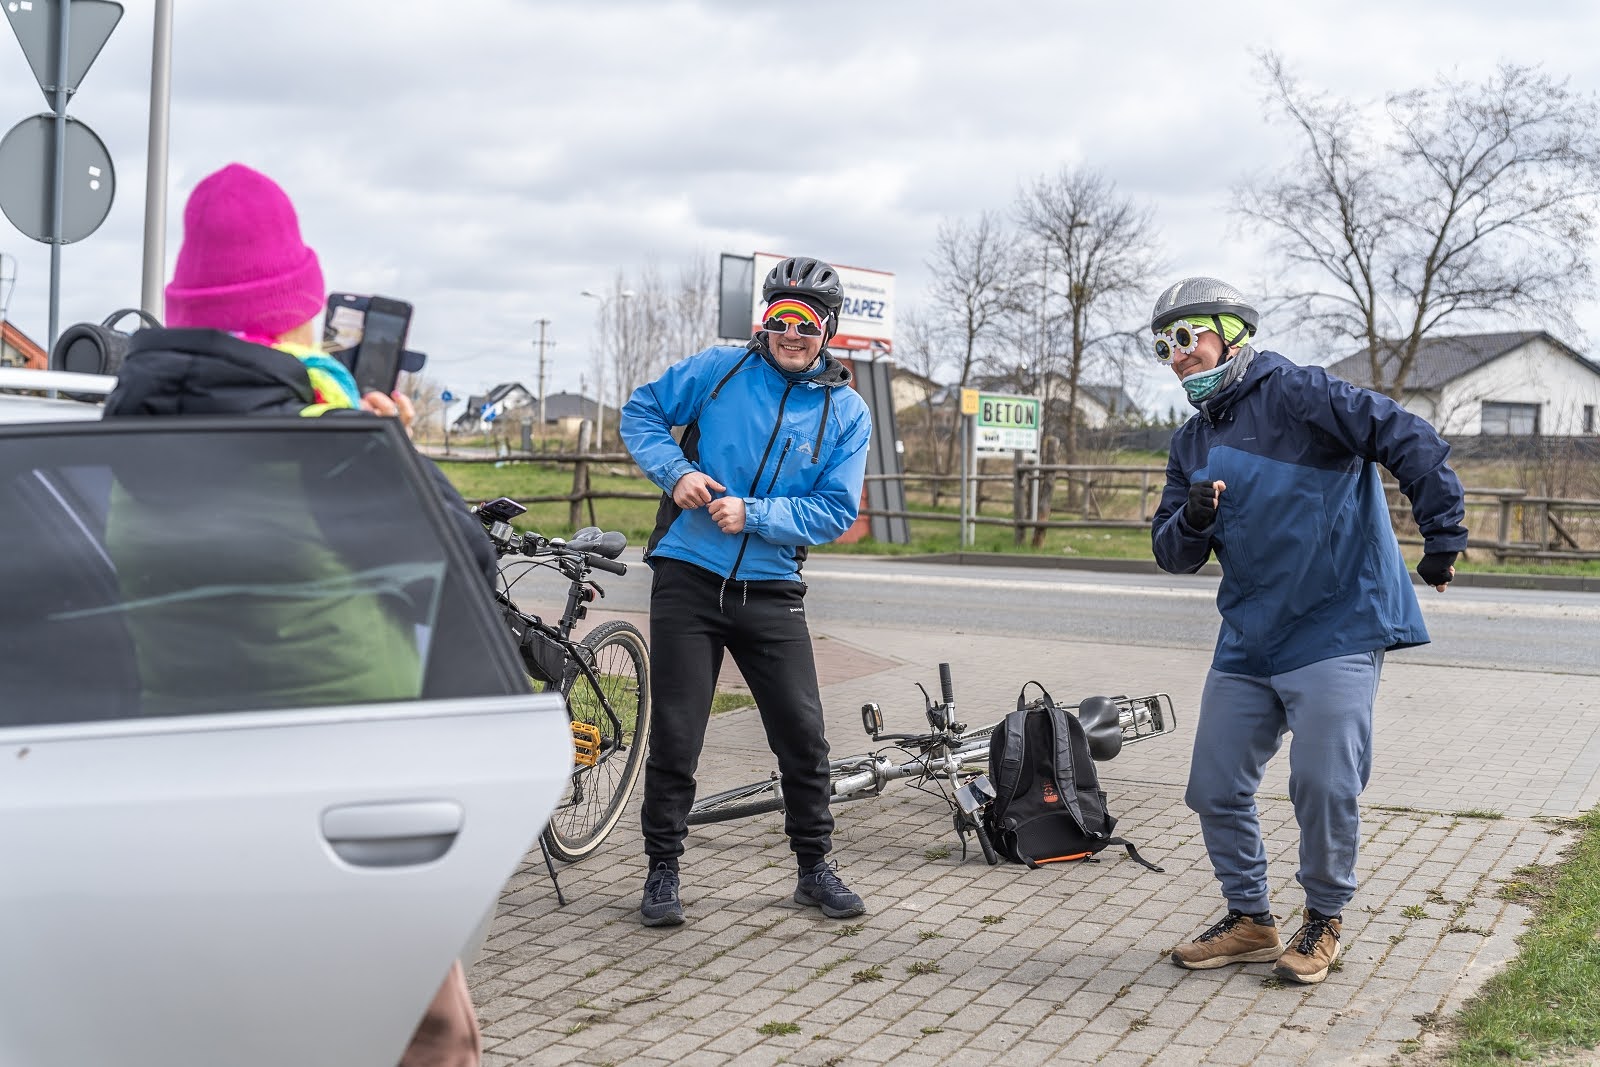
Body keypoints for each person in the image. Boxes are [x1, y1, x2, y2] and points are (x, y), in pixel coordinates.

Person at [101, 162, 487, 1065]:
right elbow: (466, 568)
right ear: (292, 318)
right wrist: (385, 447)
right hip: (347, 800)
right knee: (430, 1034)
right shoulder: (330, 447)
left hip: (187, 789)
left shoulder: (124, 450)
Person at [1149, 276, 1468, 986]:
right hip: (1249, 637)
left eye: (1187, 337)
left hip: (1336, 624)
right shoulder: (1190, 440)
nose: (1176, 355)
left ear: (1232, 333)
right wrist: (1193, 519)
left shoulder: (1300, 393)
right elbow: (1171, 553)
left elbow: (1408, 436)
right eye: (1162, 346)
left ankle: (1323, 918)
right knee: (1212, 787)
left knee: (1323, 782)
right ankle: (1250, 919)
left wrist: (1442, 533)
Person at [620, 255, 873, 927]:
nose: (792, 334)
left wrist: (755, 514)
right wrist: (675, 472)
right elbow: (642, 412)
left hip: (771, 587)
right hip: (688, 575)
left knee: (803, 735)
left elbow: (835, 511)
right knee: (677, 734)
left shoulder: (846, 412)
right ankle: (662, 871)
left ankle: (814, 869)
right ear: (765, 322)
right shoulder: (720, 369)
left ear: (828, 332)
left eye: (807, 324)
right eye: (781, 319)